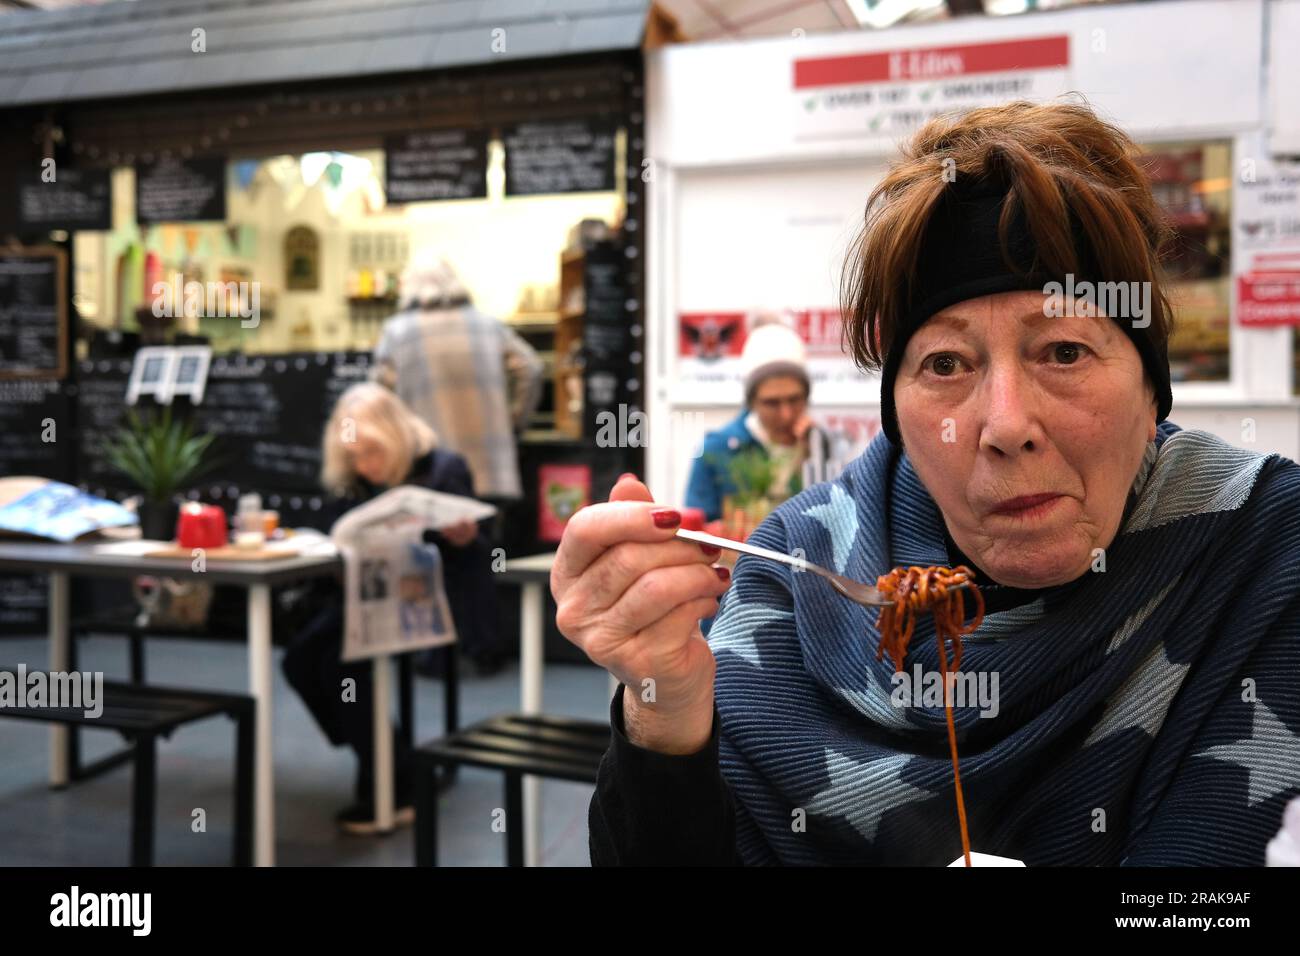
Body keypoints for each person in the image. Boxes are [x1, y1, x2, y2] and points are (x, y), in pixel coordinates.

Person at [554, 100, 1300, 865]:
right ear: (899, 418)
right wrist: (664, 714)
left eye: (1066, 351)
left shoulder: (1268, 553)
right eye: (946, 364)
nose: (1006, 425)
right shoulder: (795, 575)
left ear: (1150, 395)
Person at [281, 382, 498, 835]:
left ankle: (391, 780)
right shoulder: (358, 479)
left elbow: (479, 556)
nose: (365, 465)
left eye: (371, 453)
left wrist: (464, 538)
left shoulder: (443, 468)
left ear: (395, 436)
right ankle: (391, 761)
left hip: (430, 597)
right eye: (354, 456)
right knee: (301, 659)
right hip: (369, 598)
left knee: (342, 666)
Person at [372, 251, 543, 503]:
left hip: (427, 474)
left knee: (430, 543)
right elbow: (531, 368)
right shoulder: (488, 326)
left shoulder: (397, 333)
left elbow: (378, 398)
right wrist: (513, 421)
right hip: (491, 471)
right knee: (491, 541)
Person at [684, 319, 831, 524]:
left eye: (795, 400)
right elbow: (697, 527)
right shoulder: (716, 450)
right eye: (772, 403)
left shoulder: (818, 444)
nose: (786, 414)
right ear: (752, 402)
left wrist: (812, 457)